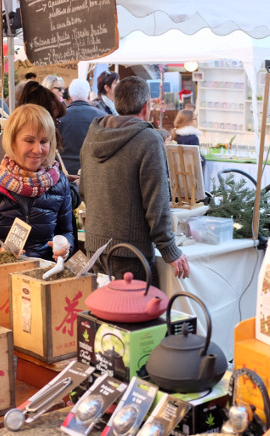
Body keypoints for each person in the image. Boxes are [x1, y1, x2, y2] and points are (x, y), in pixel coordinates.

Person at [80, 76, 189, 284]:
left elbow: (84, 189)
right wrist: (170, 250)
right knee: (135, 313)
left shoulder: (93, 135)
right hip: (131, 252)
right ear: (147, 107)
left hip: (95, 246)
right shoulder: (148, 140)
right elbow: (156, 203)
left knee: (104, 312)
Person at [0, 104, 73, 261]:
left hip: (45, 274)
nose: (37, 149)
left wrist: (65, 247)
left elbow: (67, 231)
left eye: (44, 141)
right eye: (29, 140)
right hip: (2, 273)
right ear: (12, 141)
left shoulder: (59, 182)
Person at [58, 78, 106, 176]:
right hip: (94, 173)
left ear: (70, 96)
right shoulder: (102, 117)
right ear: (89, 95)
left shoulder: (58, 118)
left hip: (65, 174)